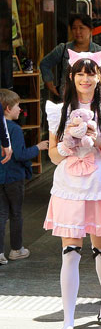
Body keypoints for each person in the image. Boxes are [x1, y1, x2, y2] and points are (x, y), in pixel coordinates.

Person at [45, 50, 101, 329]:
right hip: (69, 188)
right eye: (80, 73)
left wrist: (99, 142)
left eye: (90, 72)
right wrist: (68, 145)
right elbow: (54, 155)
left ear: (99, 76)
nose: (85, 78)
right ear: (71, 76)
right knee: (69, 253)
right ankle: (67, 320)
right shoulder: (59, 111)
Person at [0, 89, 48, 265]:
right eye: (17, 106)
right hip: (14, 177)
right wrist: (38, 147)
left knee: (1, 213)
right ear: (7, 108)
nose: (20, 109)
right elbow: (19, 154)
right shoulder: (14, 129)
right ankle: (16, 249)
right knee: (16, 213)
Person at [40, 13, 101, 101]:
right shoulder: (63, 49)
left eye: (81, 28)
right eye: (74, 28)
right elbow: (45, 64)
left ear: (90, 29)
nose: (77, 32)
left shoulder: (100, 52)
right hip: (67, 99)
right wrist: (49, 83)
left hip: (92, 101)